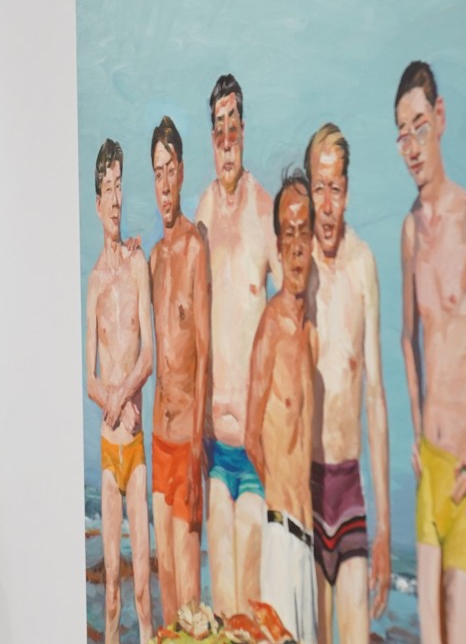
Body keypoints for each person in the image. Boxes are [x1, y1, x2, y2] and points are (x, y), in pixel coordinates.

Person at [395, 60, 466, 644]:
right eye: (402, 133)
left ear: (442, 118)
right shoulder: (408, 231)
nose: (412, 146)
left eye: (420, 126)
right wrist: (414, 426)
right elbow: (407, 337)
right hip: (430, 468)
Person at [194, 74, 281, 616]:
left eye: (233, 126)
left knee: (251, 606)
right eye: (218, 129)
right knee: (221, 605)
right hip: (212, 443)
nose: (226, 139)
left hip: (254, 445)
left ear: (244, 131)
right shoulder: (201, 210)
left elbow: (289, 313)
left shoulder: (264, 211)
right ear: (212, 137)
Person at [303, 123, 391, 643]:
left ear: (348, 191)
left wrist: (384, 527)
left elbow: (376, 396)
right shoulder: (298, 268)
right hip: (305, 488)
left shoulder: (363, 267)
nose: (328, 202)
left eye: (336, 188)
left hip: (351, 491)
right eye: (319, 187)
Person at [244, 171, 318, 644]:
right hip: (281, 533)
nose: (295, 246)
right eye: (286, 233)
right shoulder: (271, 324)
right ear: (277, 242)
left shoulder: (312, 326)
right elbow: (253, 433)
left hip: (307, 541)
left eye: (303, 232)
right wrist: (279, 505)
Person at [85, 139, 154, 643]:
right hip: (110, 451)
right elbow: (86, 375)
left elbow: (149, 353)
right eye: (106, 189)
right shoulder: (93, 283)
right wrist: (114, 400)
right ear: (95, 202)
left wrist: (128, 393)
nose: (114, 200)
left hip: (137, 447)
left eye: (119, 187)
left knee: (144, 591)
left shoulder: (137, 266)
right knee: (111, 589)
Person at [147, 116, 209, 623]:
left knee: (190, 597)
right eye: (156, 173)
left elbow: (203, 352)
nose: (164, 184)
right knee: (166, 590)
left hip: (188, 437)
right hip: (158, 437)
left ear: (183, 173)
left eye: (170, 170)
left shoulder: (194, 249)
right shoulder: (153, 260)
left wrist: (198, 447)